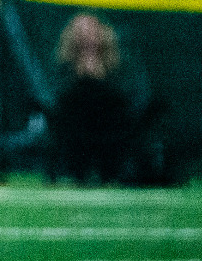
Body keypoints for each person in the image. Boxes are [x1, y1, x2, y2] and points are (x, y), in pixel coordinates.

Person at [47, 13, 169, 185]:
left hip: (113, 127)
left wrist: (100, 79)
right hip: (76, 130)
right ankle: (74, 171)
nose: (87, 36)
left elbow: (130, 98)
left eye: (92, 30)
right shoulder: (63, 66)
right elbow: (57, 100)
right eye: (81, 31)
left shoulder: (121, 63)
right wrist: (82, 79)